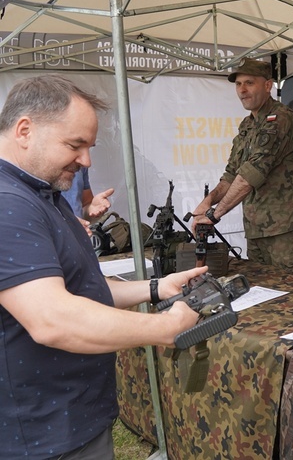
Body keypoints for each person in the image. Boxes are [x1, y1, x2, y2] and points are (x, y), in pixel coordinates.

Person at [0, 75, 207, 459]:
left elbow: (81, 287)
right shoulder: (8, 202)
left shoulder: (42, 191)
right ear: (25, 130)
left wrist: (156, 288)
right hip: (41, 437)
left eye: (89, 147)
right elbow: (53, 318)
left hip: (72, 420)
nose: (86, 161)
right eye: (75, 145)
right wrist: (164, 328)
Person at [191, 58, 293, 275]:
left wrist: (214, 215)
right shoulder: (248, 124)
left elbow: (249, 176)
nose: (242, 90)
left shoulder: (280, 119)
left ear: (268, 85)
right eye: (238, 84)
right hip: (255, 230)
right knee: (262, 293)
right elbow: (232, 174)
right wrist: (207, 202)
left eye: (249, 83)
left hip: (283, 231)